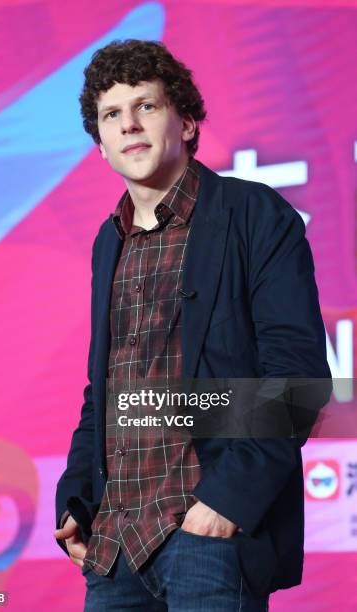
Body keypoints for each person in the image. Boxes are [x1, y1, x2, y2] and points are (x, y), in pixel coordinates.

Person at [54, 39, 332, 611]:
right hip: (114, 546)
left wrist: (229, 500)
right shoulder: (109, 241)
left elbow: (298, 381)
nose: (129, 125)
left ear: (186, 122)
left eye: (146, 106)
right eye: (112, 115)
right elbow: (103, 391)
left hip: (205, 537)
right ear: (101, 145)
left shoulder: (254, 215)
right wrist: (76, 502)